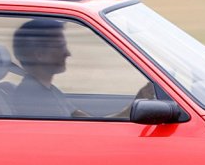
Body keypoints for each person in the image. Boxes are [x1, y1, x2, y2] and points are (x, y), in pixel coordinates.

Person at [11, 18, 155, 119]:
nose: (68, 53)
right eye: (61, 46)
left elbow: (95, 125)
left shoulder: (48, 91)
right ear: (39, 55)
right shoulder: (34, 100)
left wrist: (137, 102)